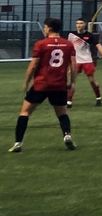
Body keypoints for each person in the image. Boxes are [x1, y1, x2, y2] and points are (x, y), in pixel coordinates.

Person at [10, 18, 77, 152]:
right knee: (62, 113)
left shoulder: (41, 44)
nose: (44, 29)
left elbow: (33, 65)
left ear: (50, 28)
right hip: (59, 85)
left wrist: (26, 82)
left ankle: (18, 142)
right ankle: (67, 135)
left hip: (41, 84)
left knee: (25, 112)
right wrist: (72, 81)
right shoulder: (68, 44)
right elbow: (74, 66)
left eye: (45, 27)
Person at [66, 18, 102, 107]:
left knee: (92, 81)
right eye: (77, 23)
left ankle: (98, 98)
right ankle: (69, 102)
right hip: (75, 61)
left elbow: (98, 45)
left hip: (87, 60)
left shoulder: (89, 36)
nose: (79, 25)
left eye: (81, 23)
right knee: (71, 81)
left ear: (84, 24)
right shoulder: (71, 35)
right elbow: (67, 46)